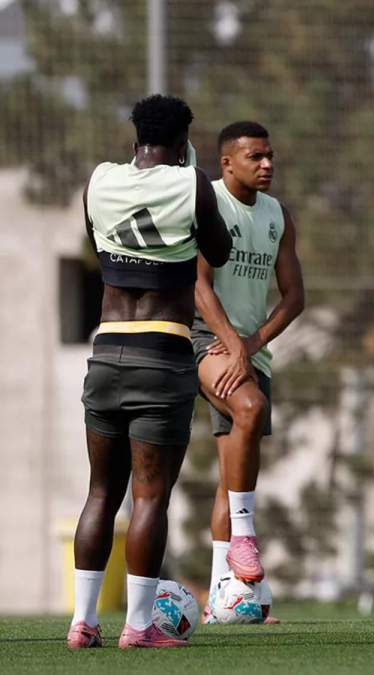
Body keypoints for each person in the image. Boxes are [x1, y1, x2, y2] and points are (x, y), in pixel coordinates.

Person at [68, 94, 231, 649]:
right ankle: (139, 626)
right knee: (150, 497)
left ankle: (83, 622)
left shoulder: (99, 180)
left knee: (99, 493)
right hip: (161, 355)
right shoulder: (193, 183)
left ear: (134, 138)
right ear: (183, 144)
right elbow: (219, 251)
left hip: (106, 351)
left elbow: (95, 242)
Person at [193, 121, 304, 621]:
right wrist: (233, 343)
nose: (267, 164)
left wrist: (252, 343)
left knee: (232, 473)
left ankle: (223, 596)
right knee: (250, 406)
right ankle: (244, 539)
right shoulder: (209, 204)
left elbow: (295, 297)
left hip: (247, 350)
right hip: (206, 338)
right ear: (227, 163)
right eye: (255, 156)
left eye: (270, 155)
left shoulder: (279, 215)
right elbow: (198, 284)